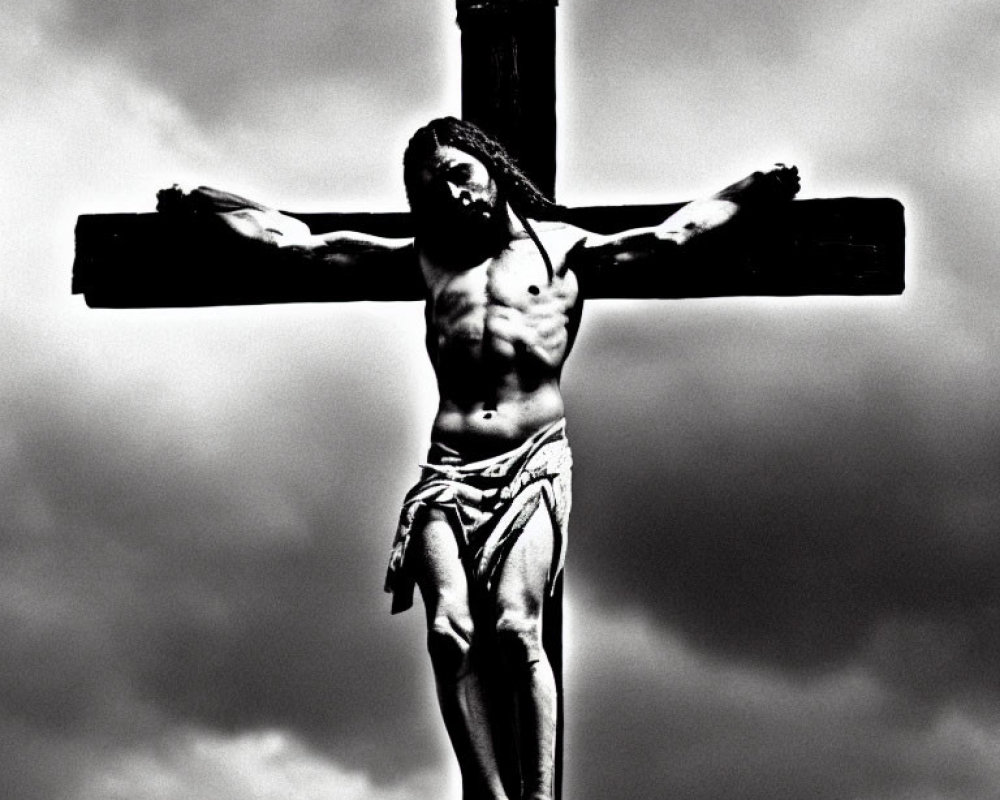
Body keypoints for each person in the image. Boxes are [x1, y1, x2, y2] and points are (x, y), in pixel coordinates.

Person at [159, 116, 799, 800]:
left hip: (532, 462)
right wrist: (202, 200)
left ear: (490, 165)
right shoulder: (428, 261)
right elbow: (297, 246)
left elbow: (677, 237)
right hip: (447, 470)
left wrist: (756, 190)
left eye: (458, 173)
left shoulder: (563, 251)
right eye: (432, 188)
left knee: (516, 629)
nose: (451, 193)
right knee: (448, 632)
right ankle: (490, 795)